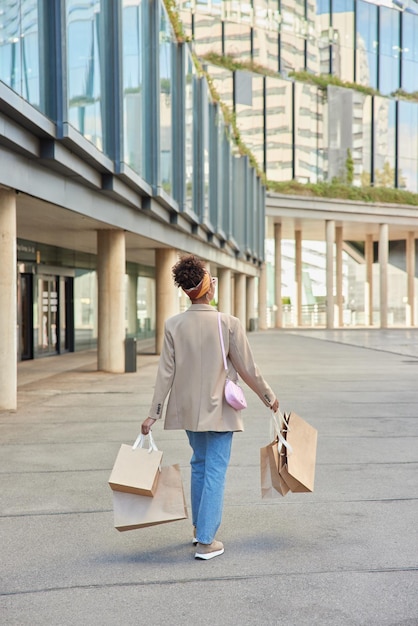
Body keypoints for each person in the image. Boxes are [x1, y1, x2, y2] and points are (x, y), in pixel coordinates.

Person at [141, 254, 279, 560]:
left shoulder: (173, 325)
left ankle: (198, 529)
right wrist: (269, 398)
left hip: (188, 411)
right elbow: (248, 369)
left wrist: (154, 413)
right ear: (207, 287)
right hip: (220, 410)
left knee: (200, 465)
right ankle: (206, 541)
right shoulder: (228, 323)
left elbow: (166, 372)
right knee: (215, 469)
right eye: (212, 279)